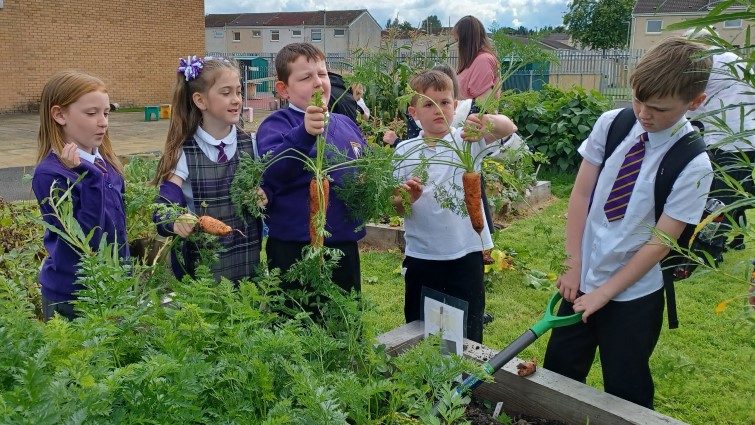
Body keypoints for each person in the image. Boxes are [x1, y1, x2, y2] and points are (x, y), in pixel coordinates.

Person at [542, 37, 714, 409]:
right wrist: (573, 265)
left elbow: (661, 242)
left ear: (695, 102)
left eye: (658, 108)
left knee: (626, 387)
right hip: (581, 281)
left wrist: (606, 293)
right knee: (557, 374)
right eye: (637, 99)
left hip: (633, 296)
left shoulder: (693, 163)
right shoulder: (613, 124)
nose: (643, 113)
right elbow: (581, 196)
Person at [392, 69, 517, 343]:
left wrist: (486, 121)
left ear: (456, 105)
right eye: (429, 104)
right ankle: (424, 380)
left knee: (468, 327)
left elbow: (509, 127)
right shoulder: (404, 152)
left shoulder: (468, 140)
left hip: (466, 253)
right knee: (420, 326)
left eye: (445, 102)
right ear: (414, 113)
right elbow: (395, 206)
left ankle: (467, 381)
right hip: (422, 255)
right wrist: (406, 200)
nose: (439, 109)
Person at [256, 43, 373, 295]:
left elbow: (367, 163)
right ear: (283, 89)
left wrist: (370, 177)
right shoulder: (277, 124)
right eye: (306, 77)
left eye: (322, 74)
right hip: (293, 245)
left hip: (343, 241)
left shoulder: (345, 123)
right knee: (294, 318)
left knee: (344, 317)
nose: (318, 82)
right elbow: (273, 170)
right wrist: (305, 133)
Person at [152, 56, 264, 284]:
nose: (236, 100)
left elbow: (272, 184)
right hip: (202, 267)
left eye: (239, 92)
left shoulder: (252, 143)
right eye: (226, 93)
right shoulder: (184, 152)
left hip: (246, 257)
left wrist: (265, 192)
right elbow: (165, 202)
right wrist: (174, 219)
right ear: (200, 100)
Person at [32, 70, 129, 321]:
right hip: (73, 296)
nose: (103, 122)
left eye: (106, 113)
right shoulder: (51, 174)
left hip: (112, 285)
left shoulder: (107, 163)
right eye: (91, 113)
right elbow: (86, 239)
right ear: (59, 114)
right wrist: (91, 178)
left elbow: (118, 227)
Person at [685, 28, 755, 251]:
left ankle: (713, 245)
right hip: (748, 136)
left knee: (719, 195)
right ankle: (738, 240)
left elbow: (690, 100)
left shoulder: (705, 63)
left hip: (724, 139)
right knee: (737, 190)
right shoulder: (738, 62)